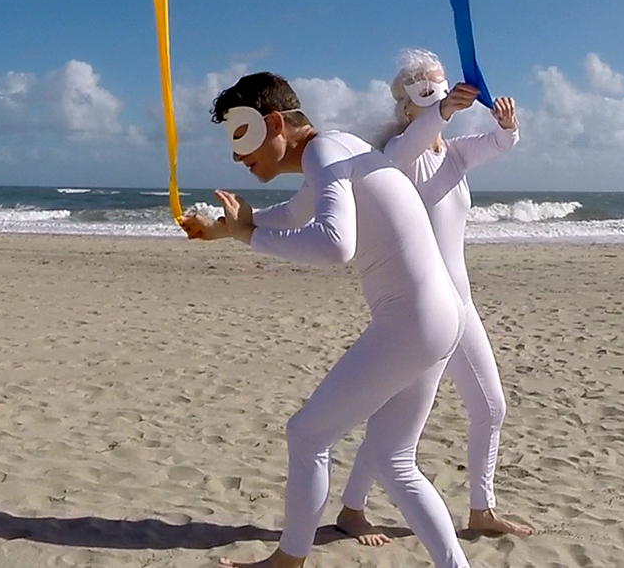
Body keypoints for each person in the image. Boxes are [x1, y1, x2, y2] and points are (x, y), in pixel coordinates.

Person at [180, 71, 472, 568]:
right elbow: (297, 214)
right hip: (442, 317)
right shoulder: (336, 149)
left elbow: (336, 245)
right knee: (395, 461)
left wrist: (247, 237)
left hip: (412, 322)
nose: (235, 156)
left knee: (308, 435)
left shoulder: (322, 152)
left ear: (274, 123)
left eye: (240, 136)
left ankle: (289, 560)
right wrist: (231, 229)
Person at [335, 49, 535, 544]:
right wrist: (441, 112)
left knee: (490, 408)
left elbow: (500, 144)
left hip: (460, 305)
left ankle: (481, 510)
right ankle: (352, 510)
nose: (440, 102)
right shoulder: (397, 159)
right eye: (427, 96)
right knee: (395, 418)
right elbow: (413, 143)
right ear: (406, 108)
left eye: (443, 91)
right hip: (421, 311)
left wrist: (507, 123)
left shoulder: (456, 152)